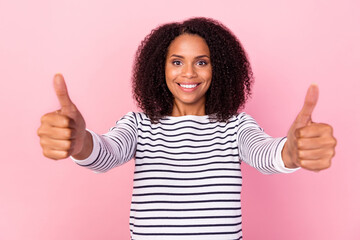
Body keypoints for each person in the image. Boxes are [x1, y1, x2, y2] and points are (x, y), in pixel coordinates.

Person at [37, 17, 336, 239]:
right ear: (160, 68)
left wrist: (294, 152)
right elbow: (106, 153)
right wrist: (77, 142)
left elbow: (266, 153)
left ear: (219, 68)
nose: (189, 73)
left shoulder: (235, 126)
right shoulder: (139, 125)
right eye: (177, 62)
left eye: (202, 62)